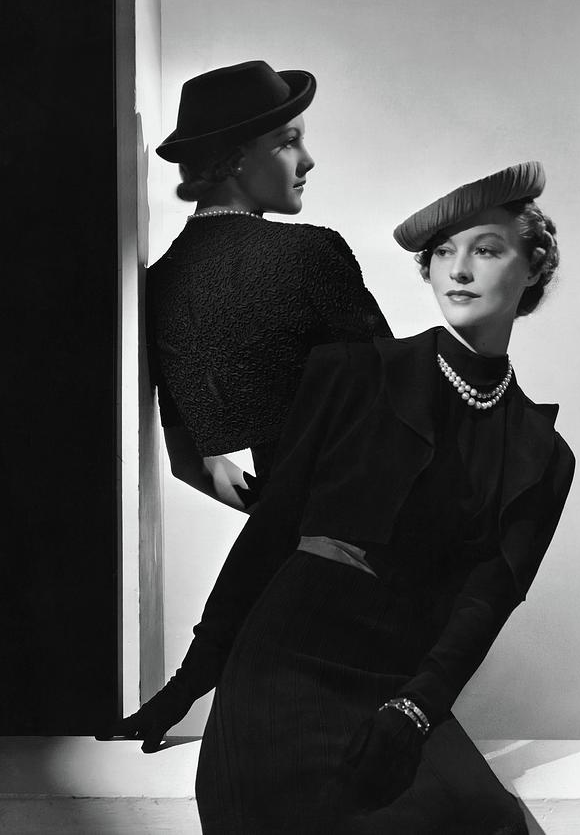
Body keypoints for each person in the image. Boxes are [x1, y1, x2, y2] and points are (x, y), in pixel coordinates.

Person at [188, 161, 576, 834]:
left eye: (485, 250)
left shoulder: (543, 457)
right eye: (442, 255)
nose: (458, 271)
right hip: (287, 658)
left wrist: (416, 709)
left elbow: (483, 605)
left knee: (488, 822)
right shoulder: (352, 372)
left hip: (397, 678)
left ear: (534, 266)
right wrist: (197, 666)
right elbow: (274, 528)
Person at [104, 61, 391, 749]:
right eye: (288, 141)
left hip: (306, 557)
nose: (308, 158)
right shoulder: (310, 254)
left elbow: (197, 467)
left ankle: (182, 692)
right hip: (369, 551)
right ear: (235, 159)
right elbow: (400, 404)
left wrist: (289, 519)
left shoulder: (161, 288)